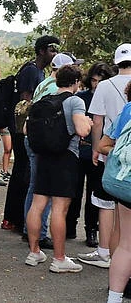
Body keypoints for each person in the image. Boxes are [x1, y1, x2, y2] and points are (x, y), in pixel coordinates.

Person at [24, 64, 92, 273]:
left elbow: (26, 129)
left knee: (37, 205)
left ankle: (34, 252)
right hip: (65, 158)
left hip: (43, 156)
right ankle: (59, 258)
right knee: (59, 209)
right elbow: (82, 130)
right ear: (76, 82)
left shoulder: (44, 100)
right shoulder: (74, 101)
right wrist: (88, 123)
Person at [2, 35, 60, 233]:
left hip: (26, 128)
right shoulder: (31, 70)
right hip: (21, 128)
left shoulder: (39, 72)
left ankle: (16, 218)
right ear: (42, 50)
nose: (55, 54)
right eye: (52, 49)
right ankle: (14, 218)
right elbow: (25, 102)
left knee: (23, 171)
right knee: (22, 172)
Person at [80, 44, 131, 268]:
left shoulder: (105, 85)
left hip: (111, 151)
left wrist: (95, 148)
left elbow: (98, 120)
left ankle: (104, 252)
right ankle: (122, 253)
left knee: (106, 204)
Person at [94, 81, 131, 303]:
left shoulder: (128, 109)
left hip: (125, 182)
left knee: (126, 244)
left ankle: (114, 298)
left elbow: (103, 145)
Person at [70, 62, 113, 248]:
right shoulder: (81, 97)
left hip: (99, 151)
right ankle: (70, 225)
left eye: (101, 81)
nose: (97, 84)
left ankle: (91, 230)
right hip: (80, 150)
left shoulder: (109, 97)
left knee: (94, 194)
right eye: (94, 80)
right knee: (74, 190)